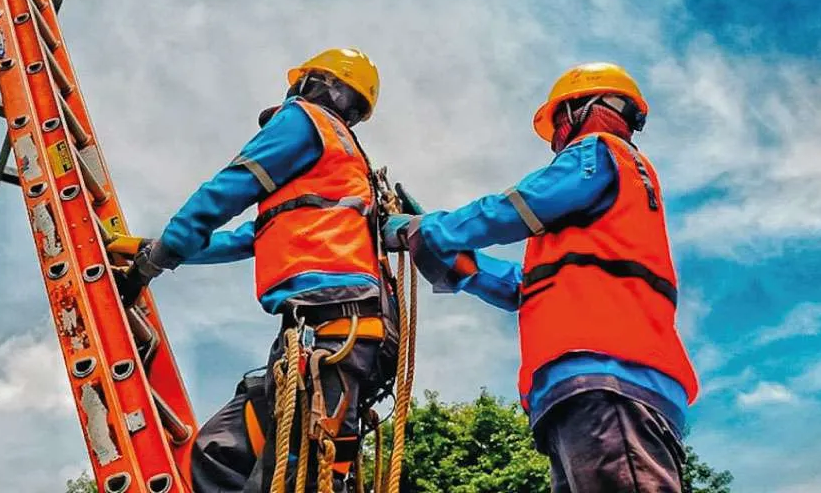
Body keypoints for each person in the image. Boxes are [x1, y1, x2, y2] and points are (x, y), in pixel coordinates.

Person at [384, 63, 698, 493]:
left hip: (607, 378)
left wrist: (426, 229)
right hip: (589, 387)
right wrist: (452, 259)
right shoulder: (599, 222)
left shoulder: (599, 152)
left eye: (557, 122)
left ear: (583, 108)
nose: (555, 138)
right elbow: (527, 284)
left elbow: (514, 207)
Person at [118, 47, 397, 493]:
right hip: (334, 331)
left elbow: (228, 188)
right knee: (216, 456)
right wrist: (154, 247)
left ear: (312, 84)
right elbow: (250, 237)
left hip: (334, 331)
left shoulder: (304, 122)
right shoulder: (338, 171)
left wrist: (156, 259)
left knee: (293, 478)